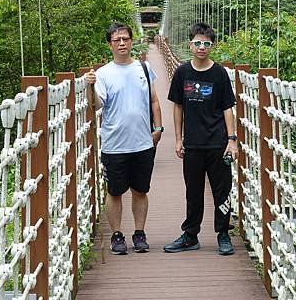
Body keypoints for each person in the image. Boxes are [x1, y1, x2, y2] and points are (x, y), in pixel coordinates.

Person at [85, 22, 163, 255]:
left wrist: (158, 128)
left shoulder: (144, 68)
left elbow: (154, 101)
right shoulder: (103, 74)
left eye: (125, 39)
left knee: (140, 190)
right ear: (109, 44)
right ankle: (117, 235)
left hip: (142, 142)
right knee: (115, 191)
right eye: (117, 40)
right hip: (114, 144)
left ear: (131, 41)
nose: (122, 43)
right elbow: (97, 105)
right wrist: (90, 87)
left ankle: (139, 233)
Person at [163, 22, 238, 255]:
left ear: (212, 46)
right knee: (193, 191)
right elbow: (177, 107)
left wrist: (232, 140)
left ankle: (223, 234)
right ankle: (191, 235)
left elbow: (228, 108)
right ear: (190, 44)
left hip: (218, 142)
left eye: (206, 43)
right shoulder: (182, 72)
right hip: (193, 143)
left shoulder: (220, 73)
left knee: (222, 190)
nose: (202, 47)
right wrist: (178, 139)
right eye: (197, 43)